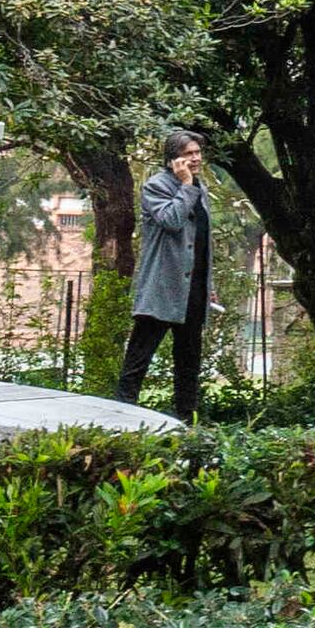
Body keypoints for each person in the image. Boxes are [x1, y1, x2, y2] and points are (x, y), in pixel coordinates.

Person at [115, 133, 214, 419]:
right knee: (140, 356)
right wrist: (186, 185)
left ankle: (187, 421)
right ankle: (121, 415)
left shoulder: (200, 188)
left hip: (193, 287)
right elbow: (171, 220)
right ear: (173, 159)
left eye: (198, 152)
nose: (196, 158)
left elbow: (202, 240)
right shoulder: (156, 186)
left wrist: (209, 284)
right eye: (189, 153)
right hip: (162, 286)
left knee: (189, 360)